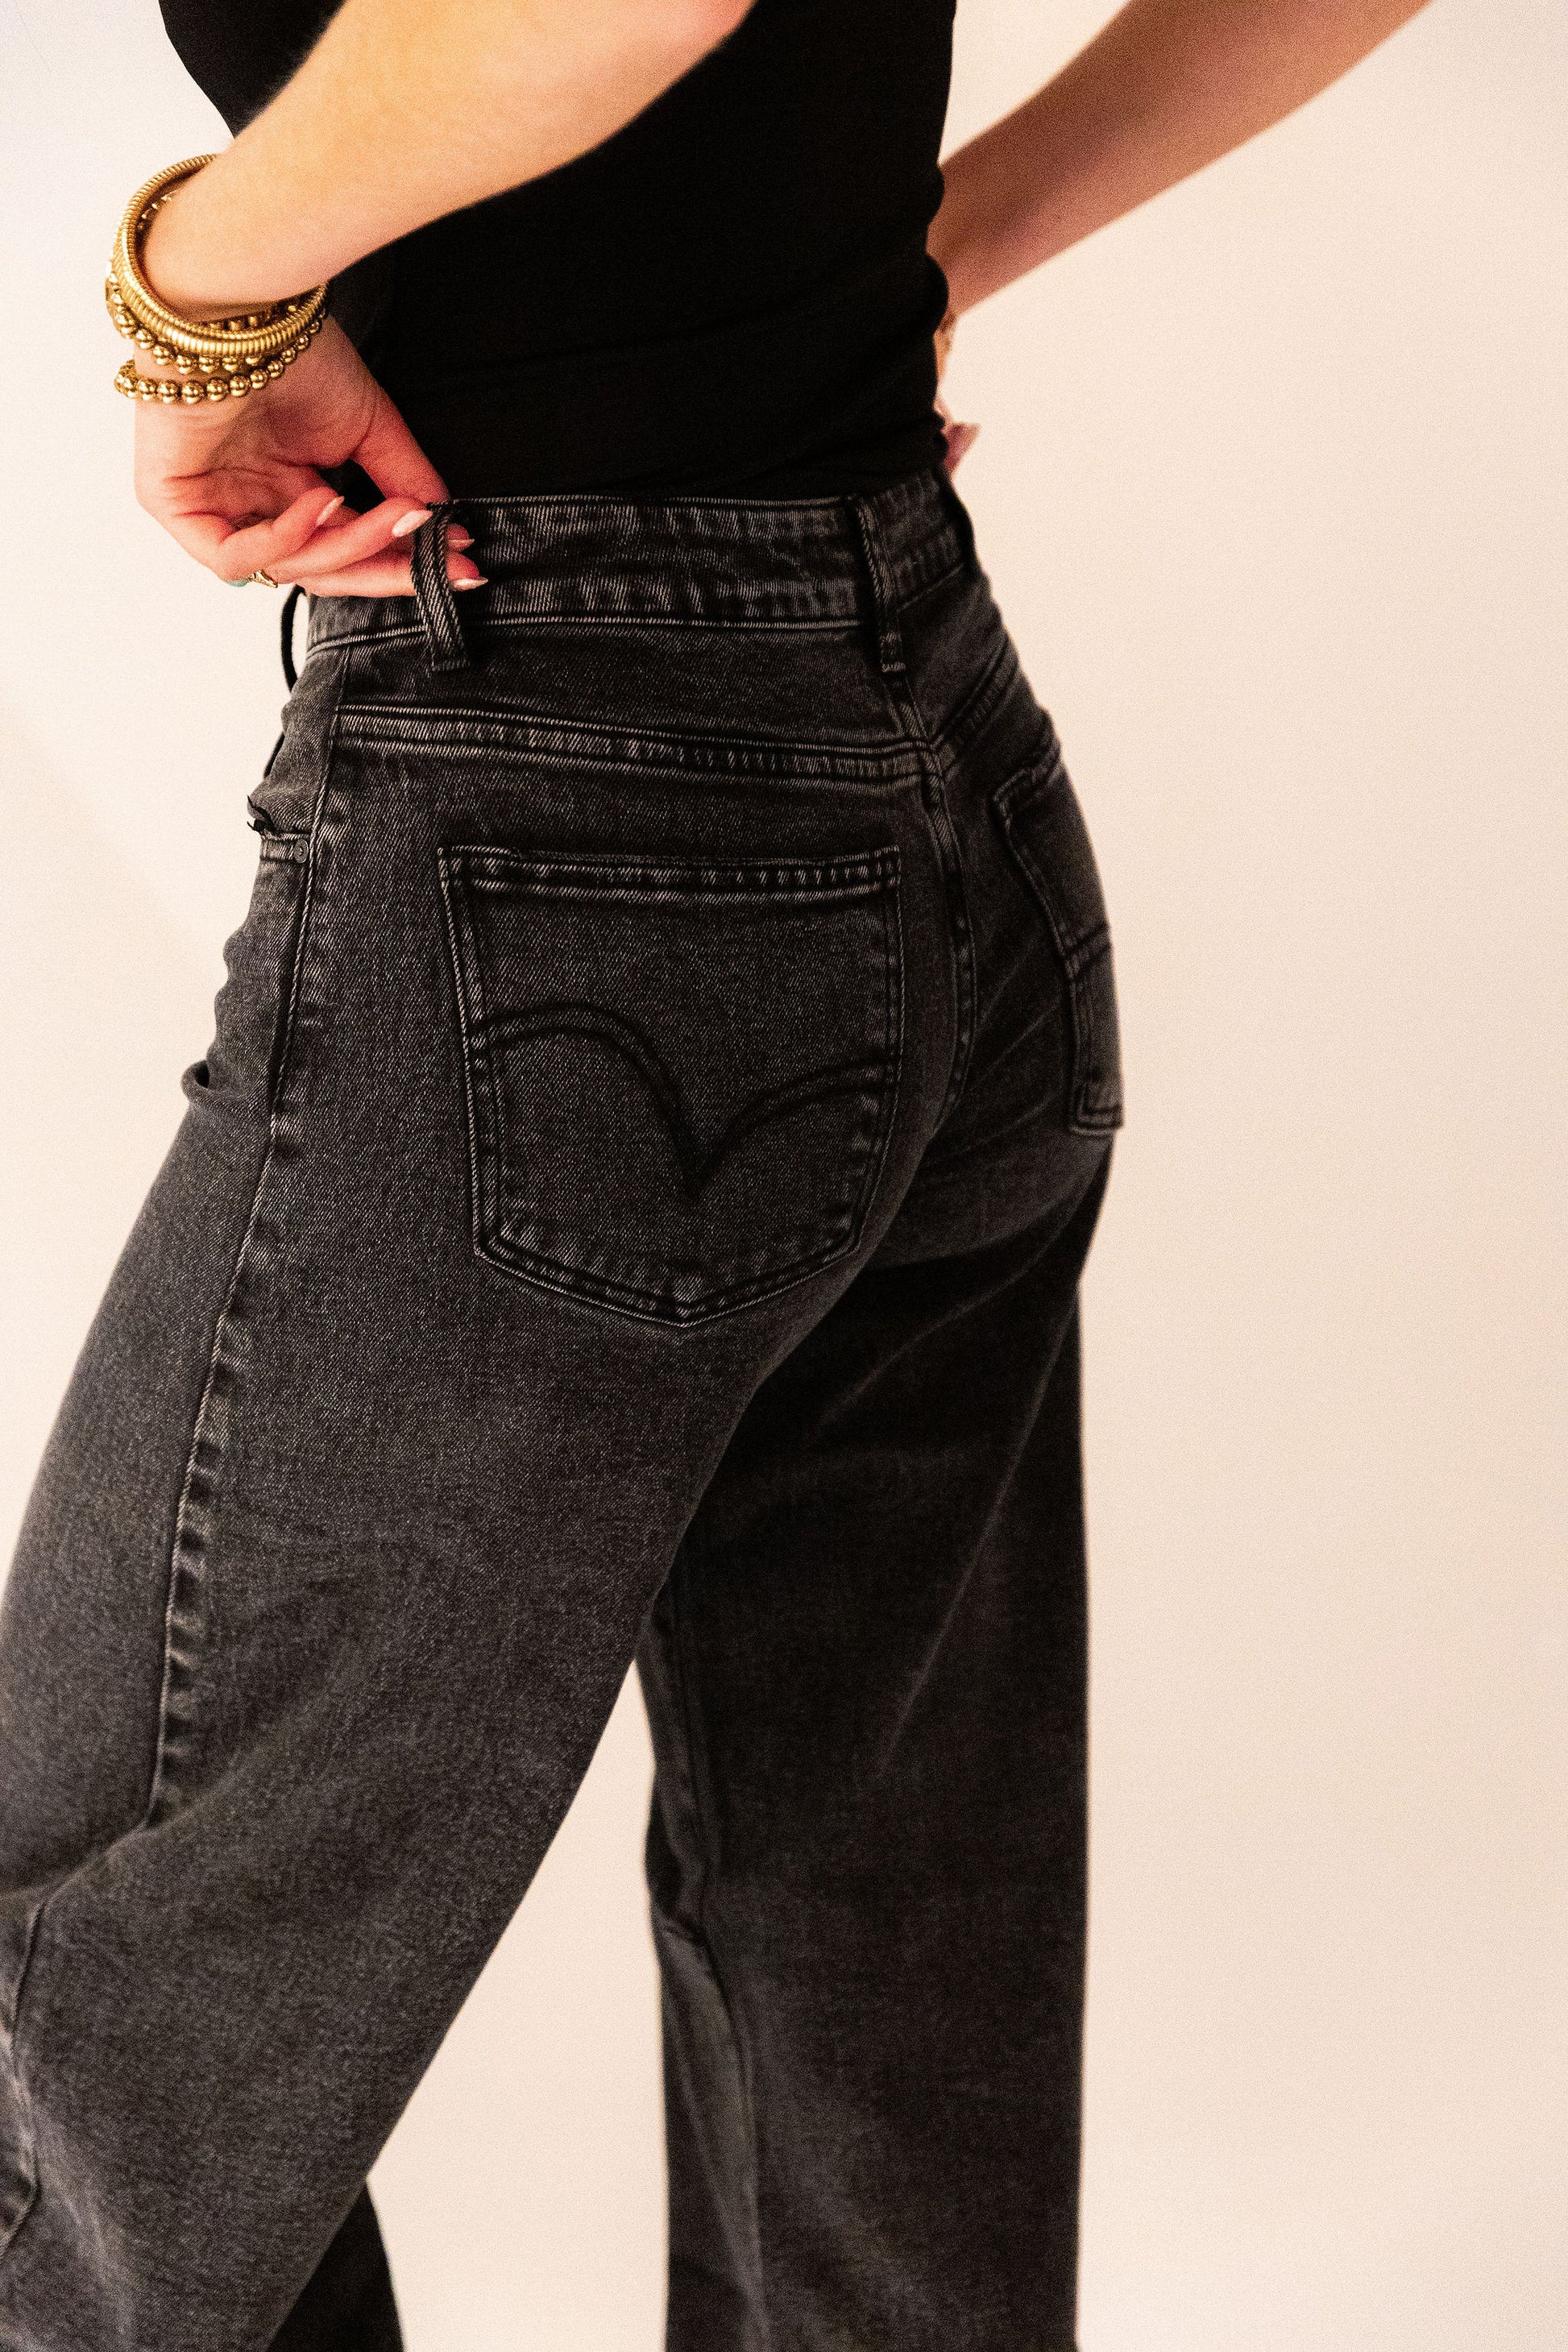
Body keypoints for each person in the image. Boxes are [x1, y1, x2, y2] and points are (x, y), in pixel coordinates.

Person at [0, 2, 1430, 2345]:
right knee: (867, 1951)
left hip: (579, 828)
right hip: (932, 772)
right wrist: (911, 257)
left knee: (91, 2060)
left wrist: (208, 280)